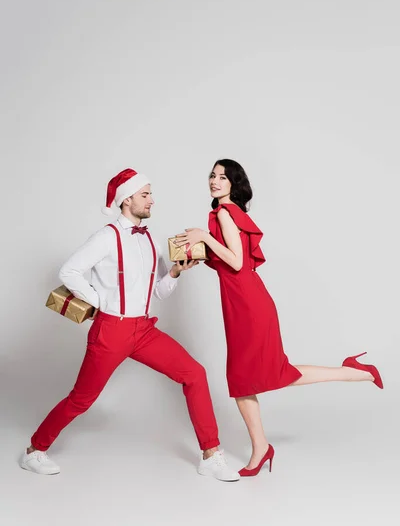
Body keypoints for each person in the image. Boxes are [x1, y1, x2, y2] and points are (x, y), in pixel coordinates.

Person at [20, 168, 239, 482]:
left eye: (150, 193)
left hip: (144, 330)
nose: (152, 200)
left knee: (195, 374)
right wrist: (100, 302)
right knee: (82, 399)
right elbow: (69, 271)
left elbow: (159, 292)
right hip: (111, 331)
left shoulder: (149, 239)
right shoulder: (106, 236)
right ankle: (35, 451)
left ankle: (210, 454)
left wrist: (176, 272)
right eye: (145, 194)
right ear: (127, 200)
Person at [174, 159, 384, 477]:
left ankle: (354, 373)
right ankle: (263, 445)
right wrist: (196, 255)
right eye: (212, 176)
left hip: (248, 306)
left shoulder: (225, 213)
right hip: (242, 303)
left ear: (234, 183)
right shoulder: (227, 214)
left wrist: (204, 236)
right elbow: (228, 263)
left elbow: (236, 259)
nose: (215, 181)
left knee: (259, 376)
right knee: (251, 378)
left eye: (223, 177)